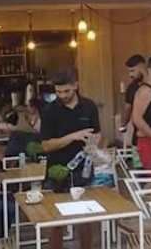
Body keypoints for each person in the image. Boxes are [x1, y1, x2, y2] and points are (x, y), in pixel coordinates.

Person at [40, 69, 101, 249]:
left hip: (84, 169)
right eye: (58, 92)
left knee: (86, 218)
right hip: (57, 170)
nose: (62, 96)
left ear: (76, 85)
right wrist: (72, 137)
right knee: (55, 219)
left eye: (66, 91)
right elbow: (46, 145)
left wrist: (94, 144)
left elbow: (98, 133)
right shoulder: (50, 111)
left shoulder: (89, 106)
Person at [121, 54, 146, 131]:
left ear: (142, 68)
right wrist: (123, 125)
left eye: (132, 71)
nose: (130, 75)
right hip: (139, 132)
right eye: (129, 71)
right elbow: (127, 110)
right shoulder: (131, 88)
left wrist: (123, 126)